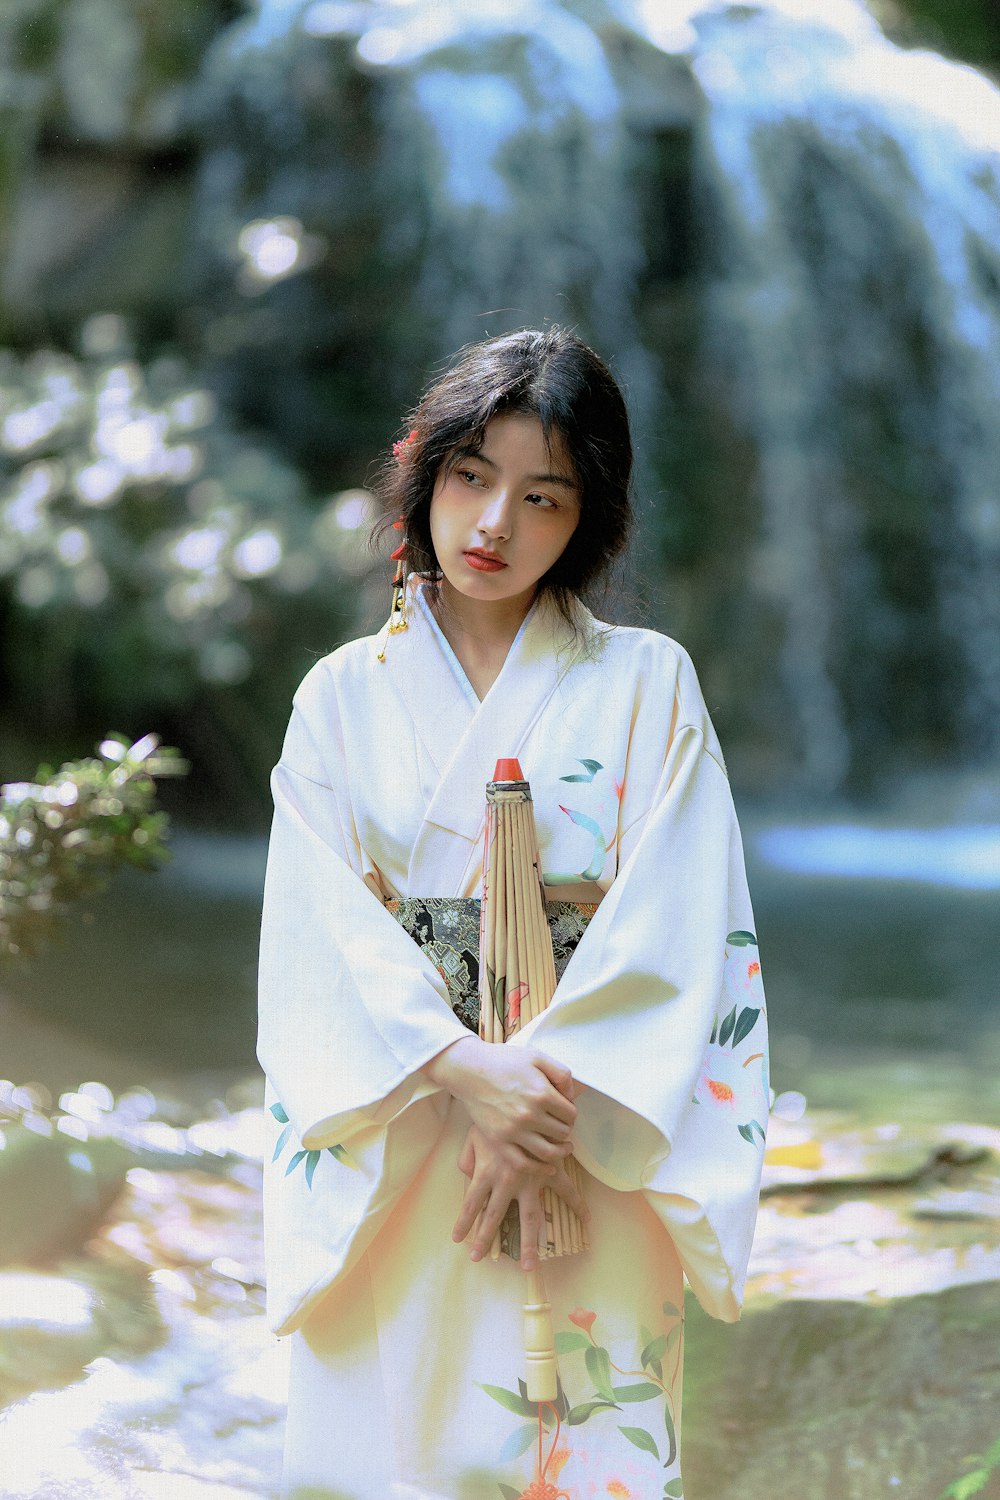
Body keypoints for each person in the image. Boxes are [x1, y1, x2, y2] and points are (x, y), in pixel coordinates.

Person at [257, 327, 768, 1500]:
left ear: (586, 516)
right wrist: (462, 1070)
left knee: (581, 1449)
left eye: (542, 497)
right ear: (424, 474)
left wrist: (535, 1089)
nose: (493, 526)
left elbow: (684, 916)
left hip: (583, 1130)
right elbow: (316, 928)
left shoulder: (648, 682)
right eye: (471, 477)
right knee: (389, 1451)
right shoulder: (342, 696)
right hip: (405, 1122)